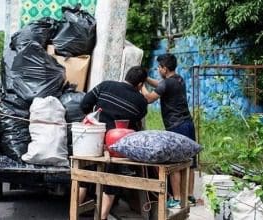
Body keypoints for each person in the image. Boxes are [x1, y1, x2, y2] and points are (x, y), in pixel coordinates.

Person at [79, 66, 148, 220]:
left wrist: (93, 118)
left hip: (94, 140)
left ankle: (74, 212)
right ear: (140, 85)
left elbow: (84, 104)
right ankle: (102, 217)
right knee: (112, 181)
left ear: (126, 76)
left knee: (84, 178)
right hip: (116, 145)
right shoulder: (141, 101)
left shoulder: (106, 85)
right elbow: (136, 122)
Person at [142, 53, 197, 209]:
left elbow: (149, 98)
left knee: (175, 162)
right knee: (190, 162)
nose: (158, 69)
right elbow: (160, 84)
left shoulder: (166, 84)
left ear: (164, 69)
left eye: (159, 67)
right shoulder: (178, 79)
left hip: (176, 126)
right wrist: (147, 79)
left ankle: (177, 199)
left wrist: (141, 86)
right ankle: (190, 196)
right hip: (188, 124)